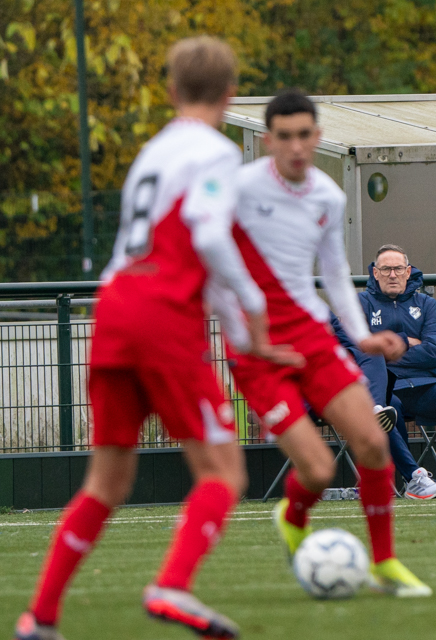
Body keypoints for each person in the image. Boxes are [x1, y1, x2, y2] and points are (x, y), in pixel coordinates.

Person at [13, 37, 304, 640]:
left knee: (106, 482)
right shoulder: (216, 153)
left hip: (114, 307)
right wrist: (253, 308)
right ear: (230, 94)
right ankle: (172, 584)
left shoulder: (151, 151)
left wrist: (237, 328)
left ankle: (39, 618)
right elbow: (207, 236)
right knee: (224, 472)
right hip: (162, 314)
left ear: (171, 92)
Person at [226, 89, 431, 597]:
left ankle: (384, 564)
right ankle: (292, 516)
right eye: (284, 137)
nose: (295, 146)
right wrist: (246, 338)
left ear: (317, 138)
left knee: (373, 442)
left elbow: (336, 273)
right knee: (317, 468)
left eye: (304, 135)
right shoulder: (239, 190)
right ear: (268, 141)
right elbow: (214, 266)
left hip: (309, 333)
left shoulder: (326, 195)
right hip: (255, 347)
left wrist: (361, 335)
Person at [334, 244, 436, 498]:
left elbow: (434, 352)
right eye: (386, 269)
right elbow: (360, 351)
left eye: (398, 268)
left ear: (408, 271)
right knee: (390, 406)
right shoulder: (361, 302)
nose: (392, 274)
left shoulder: (427, 304)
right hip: (386, 388)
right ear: (375, 273)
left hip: (424, 384)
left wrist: (385, 347)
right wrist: (406, 341)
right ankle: (412, 480)